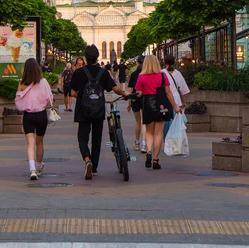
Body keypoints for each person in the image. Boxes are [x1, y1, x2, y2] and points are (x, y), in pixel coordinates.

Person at [70, 45, 128, 180]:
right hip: (98, 109)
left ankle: (87, 160)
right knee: (96, 139)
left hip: (83, 110)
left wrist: (82, 98)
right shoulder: (103, 72)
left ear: (85, 58)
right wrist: (125, 94)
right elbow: (115, 88)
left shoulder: (78, 73)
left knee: (82, 137)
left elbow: (72, 92)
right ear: (97, 57)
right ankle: (94, 168)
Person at [134, 55, 179, 170]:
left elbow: (139, 93)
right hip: (161, 105)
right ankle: (155, 160)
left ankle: (148, 151)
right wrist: (175, 106)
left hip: (148, 104)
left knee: (149, 132)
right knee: (158, 133)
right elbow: (168, 93)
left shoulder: (141, 77)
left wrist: (132, 96)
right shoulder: (163, 76)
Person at [15, 58, 55, 180]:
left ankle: (32, 169)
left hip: (28, 116)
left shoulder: (22, 84)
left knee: (30, 143)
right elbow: (49, 99)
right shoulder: (43, 82)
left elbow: (18, 101)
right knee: (39, 142)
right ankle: (38, 166)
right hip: (41, 115)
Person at [161, 55, 190, 138]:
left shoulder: (161, 72)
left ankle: (167, 139)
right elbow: (182, 90)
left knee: (165, 123)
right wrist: (184, 102)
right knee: (175, 123)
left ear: (165, 62)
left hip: (165, 101)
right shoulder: (178, 73)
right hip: (176, 101)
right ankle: (174, 140)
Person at [127, 56, 147, 153]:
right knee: (144, 121)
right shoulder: (147, 73)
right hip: (145, 99)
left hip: (135, 98)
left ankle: (137, 142)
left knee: (137, 121)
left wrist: (128, 102)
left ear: (137, 63)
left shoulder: (134, 74)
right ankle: (144, 144)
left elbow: (130, 89)